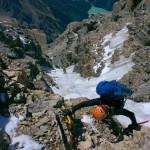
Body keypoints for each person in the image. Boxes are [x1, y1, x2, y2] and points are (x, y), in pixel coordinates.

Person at [61, 80, 141, 131]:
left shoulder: (115, 109)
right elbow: (131, 114)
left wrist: (72, 110)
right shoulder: (101, 100)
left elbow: (84, 104)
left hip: (117, 104)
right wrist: (71, 110)